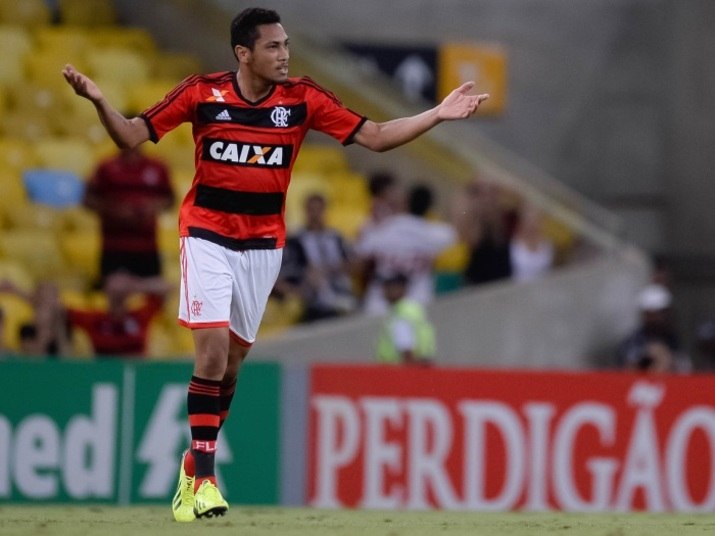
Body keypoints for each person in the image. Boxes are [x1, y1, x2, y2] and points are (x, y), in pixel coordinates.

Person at [62, 6, 489, 522]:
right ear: (244, 53)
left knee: (233, 367)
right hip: (206, 235)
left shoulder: (303, 99)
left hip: (263, 247)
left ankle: (190, 469)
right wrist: (100, 102)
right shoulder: (202, 93)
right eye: (273, 47)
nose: (284, 55)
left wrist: (437, 114)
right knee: (213, 353)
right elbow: (131, 135)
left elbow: (375, 136)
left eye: (286, 45)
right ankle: (205, 480)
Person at [355, 182, 457, 315]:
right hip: (420, 303)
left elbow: (360, 251)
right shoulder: (438, 233)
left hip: (380, 305)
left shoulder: (383, 229)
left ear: (405, 203)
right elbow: (458, 237)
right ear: (429, 207)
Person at [84, 146, 175, 284]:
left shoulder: (157, 167)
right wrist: (114, 210)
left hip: (147, 247)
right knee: (115, 295)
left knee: (151, 299)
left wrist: (153, 207)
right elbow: (88, 199)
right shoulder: (106, 167)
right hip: (114, 247)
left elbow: (170, 199)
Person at [275, 193, 357, 322]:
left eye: (318, 210)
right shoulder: (296, 241)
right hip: (312, 301)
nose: (315, 214)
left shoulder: (336, 236)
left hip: (340, 291)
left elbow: (352, 263)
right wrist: (300, 289)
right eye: (311, 210)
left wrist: (335, 268)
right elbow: (284, 275)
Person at [66, 272, 171, 358]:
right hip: (104, 373)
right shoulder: (95, 320)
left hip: (138, 372)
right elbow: (63, 312)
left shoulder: (139, 317)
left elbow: (167, 289)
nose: (118, 290)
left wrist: (135, 286)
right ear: (105, 289)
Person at [615, 283, 691, 373]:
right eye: (654, 314)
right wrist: (648, 358)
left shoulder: (672, 339)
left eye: (663, 313)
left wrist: (667, 357)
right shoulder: (633, 341)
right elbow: (627, 368)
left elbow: (685, 368)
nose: (660, 318)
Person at [376, 272, 435, 365]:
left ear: (400, 288)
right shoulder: (413, 309)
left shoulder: (401, 314)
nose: (384, 291)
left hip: (399, 373)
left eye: (388, 287)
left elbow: (407, 351)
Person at [509, 204, 554, 282]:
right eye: (529, 222)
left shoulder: (547, 245)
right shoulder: (514, 244)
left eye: (535, 221)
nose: (532, 226)